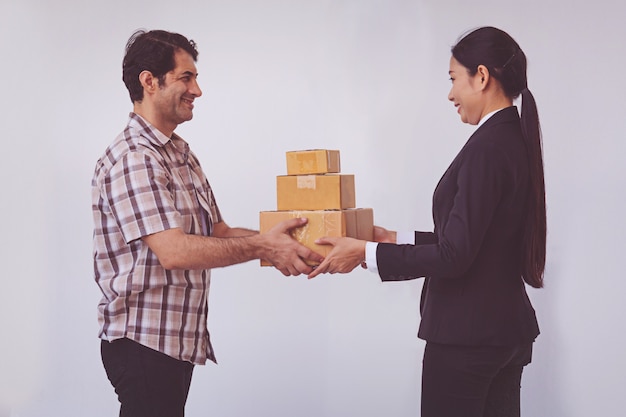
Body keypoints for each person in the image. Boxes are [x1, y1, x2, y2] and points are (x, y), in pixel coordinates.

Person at [309, 26, 546, 417]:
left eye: (454, 79)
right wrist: (391, 237)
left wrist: (366, 253)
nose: (451, 94)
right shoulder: (511, 141)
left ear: (482, 77)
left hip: (467, 340)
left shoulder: (487, 148)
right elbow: (475, 241)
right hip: (504, 333)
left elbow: (455, 256)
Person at [92, 29, 323, 417]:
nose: (197, 90)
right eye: (186, 77)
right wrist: (266, 247)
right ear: (149, 81)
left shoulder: (180, 153)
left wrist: (287, 240)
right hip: (143, 342)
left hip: (174, 342)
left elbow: (217, 232)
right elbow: (174, 251)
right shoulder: (134, 158)